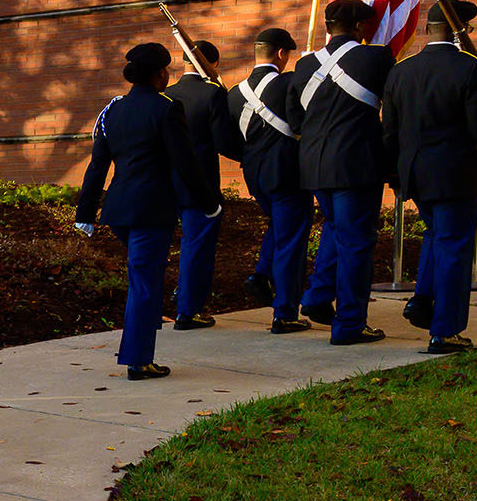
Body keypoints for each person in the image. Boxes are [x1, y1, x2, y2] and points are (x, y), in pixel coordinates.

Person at [382, 0, 477, 354]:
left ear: (430, 30)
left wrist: (396, 176)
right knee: (455, 247)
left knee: (436, 236)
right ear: (461, 31)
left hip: (415, 172)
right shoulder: (471, 67)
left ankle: (423, 299)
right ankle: (445, 331)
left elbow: (390, 131)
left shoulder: (401, 69)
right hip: (452, 173)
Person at [75, 42, 221, 380]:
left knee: (144, 277)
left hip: (120, 209)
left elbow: (97, 167)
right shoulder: (167, 108)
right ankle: (139, 360)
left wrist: (85, 212)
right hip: (152, 209)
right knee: (144, 282)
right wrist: (209, 203)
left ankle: (143, 343)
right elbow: (186, 162)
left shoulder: (112, 111)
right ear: (159, 74)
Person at [285, 0, 396, 345]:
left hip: (314, 165)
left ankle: (318, 297)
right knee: (356, 243)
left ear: (328, 27)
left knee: (336, 230)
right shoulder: (377, 57)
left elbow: (294, 119)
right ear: (362, 27)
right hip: (356, 165)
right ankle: (350, 324)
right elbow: (393, 110)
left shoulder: (304, 66)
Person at [226, 27, 315, 333]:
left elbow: (227, 139)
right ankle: (285, 312)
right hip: (288, 172)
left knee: (280, 226)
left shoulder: (234, 93)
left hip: (254, 173)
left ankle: (262, 272)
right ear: (281, 54)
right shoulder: (290, 83)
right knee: (292, 241)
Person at [161, 40, 239, 329]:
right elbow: (223, 141)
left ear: (182, 62)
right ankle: (188, 309)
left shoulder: (166, 94)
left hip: (168, 184)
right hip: (200, 184)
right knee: (198, 247)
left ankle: (180, 301)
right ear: (213, 64)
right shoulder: (212, 93)